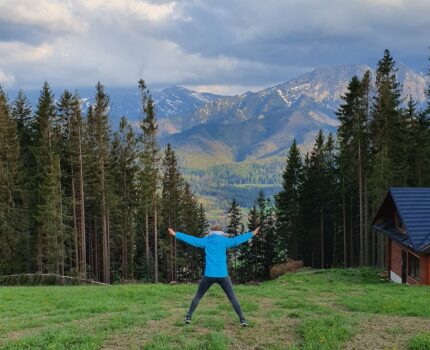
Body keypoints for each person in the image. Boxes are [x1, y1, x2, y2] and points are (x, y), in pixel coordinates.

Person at [167, 224, 260, 327]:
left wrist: (176, 234)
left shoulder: (206, 240)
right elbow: (238, 239)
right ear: (221, 231)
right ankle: (242, 320)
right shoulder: (224, 241)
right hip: (223, 275)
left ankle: (188, 317)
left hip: (209, 275)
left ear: (211, 231)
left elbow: (192, 239)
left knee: (198, 296)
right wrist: (252, 233)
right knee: (232, 297)